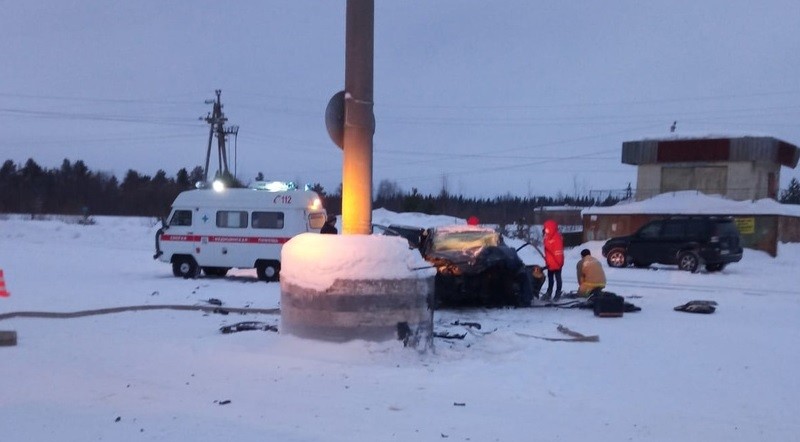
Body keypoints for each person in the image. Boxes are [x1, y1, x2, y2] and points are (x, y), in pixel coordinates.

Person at [542, 219, 564, 301]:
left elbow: (558, 252)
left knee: (558, 278)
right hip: (550, 263)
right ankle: (549, 292)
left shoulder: (557, 238)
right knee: (550, 279)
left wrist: (559, 263)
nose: (545, 230)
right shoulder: (547, 237)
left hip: (557, 263)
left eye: (546, 228)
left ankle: (557, 293)